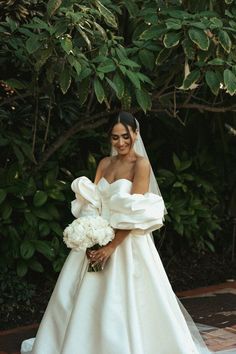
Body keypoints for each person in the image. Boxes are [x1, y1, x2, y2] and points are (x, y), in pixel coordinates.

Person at [21, 112, 234, 354]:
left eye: (125, 136)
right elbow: (93, 202)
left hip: (127, 244)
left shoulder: (140, 165)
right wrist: (90, 232)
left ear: (136, 134)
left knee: (123, 302)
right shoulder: (104, 163)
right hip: (97, 240)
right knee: (81, 298)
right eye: (115, 137)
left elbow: (135, 213)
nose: (120, 143)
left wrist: (111, 246)